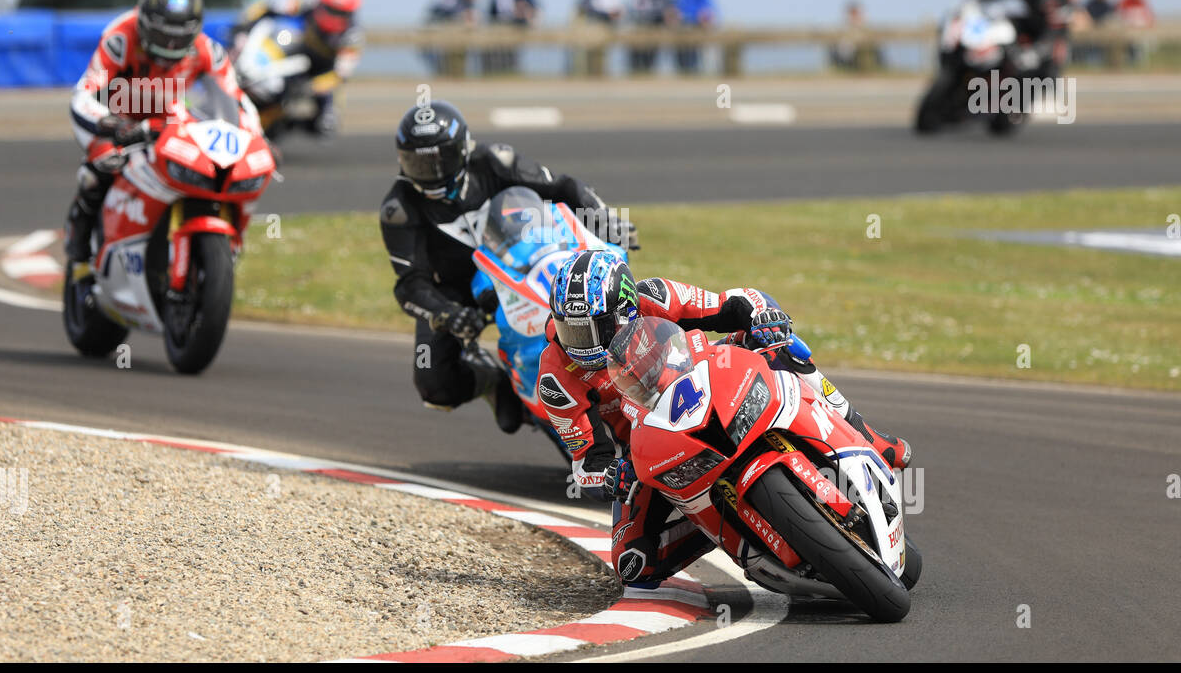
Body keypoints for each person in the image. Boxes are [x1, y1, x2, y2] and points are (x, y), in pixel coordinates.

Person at [540, 249, 911, 587]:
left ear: (626, 309)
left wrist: (765, 318)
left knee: (783, 346)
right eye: (570, 328)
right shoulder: (555, 379)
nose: (578, 341)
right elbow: (585, 462)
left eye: (591, 329)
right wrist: (610, 476)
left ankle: (866, 435)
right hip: (653, 452)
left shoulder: (654, 296)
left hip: (706, 384)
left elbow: (735, 303)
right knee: (634, 565)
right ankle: (726, 528)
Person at [379, 102, 638, 434]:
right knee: (434, 385)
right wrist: (445, 312)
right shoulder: (398, 208)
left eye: (439, 159)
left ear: (462, 150)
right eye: (417, 163)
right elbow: (409, 283)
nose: (430, 171)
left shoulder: (494, 161)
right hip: (456, 291)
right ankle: (493, 380)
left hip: (523, 260)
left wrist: (605, 219)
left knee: (595, 298)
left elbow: (563, 186)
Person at [63, 0, 258, 263]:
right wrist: (108, 123)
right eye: (162, 36)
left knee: (217, 169)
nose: (169, 47)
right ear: (143, 24)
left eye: (179, 38)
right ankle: (80, 236)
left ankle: (222, 240)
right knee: (102, 165)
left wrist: (256, 137)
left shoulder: (208, 51)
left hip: (171, 121)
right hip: (120, 118)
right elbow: (85, 93)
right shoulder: (120, 38)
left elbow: (237, 99)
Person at [229, 0, 363, 138]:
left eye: (340, 14)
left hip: (318, 73)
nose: (333, 18)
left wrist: (310, 87)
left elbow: (339, 75)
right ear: (321, 2)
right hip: (292, 52)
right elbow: (266, 7)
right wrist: (243, 26)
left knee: (327, 124)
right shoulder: (305, 2)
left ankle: (287, 123)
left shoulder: (352, 37)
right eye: (330, 10)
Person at [976, 0, 1073, 78]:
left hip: (1049, 40)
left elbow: (1053, 33)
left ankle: (1048, 88)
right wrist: (976, 2)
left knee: (1053, 57)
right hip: (1030, 26)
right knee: (1005, 21)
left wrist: (1036, 52)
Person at [423, 0, 480, 75]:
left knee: (456, 64)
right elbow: (440, 8)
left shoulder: (469, 2)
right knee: (440, 65)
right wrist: (462, 15)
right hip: (437, 32)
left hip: (457, 39)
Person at [628, 0, 676, 73]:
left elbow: (673, 14)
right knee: (638, 67)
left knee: (652, 66)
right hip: (641, 36)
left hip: (659, 37)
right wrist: (659, 17)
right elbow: (638, 13)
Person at [674, 0, 716, 73]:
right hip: (686, 31)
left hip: (704, 32)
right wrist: (697, 16)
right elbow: (680, 11)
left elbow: (714, 12)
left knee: (705, 61)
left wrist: (707, 17)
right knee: (686, 65)